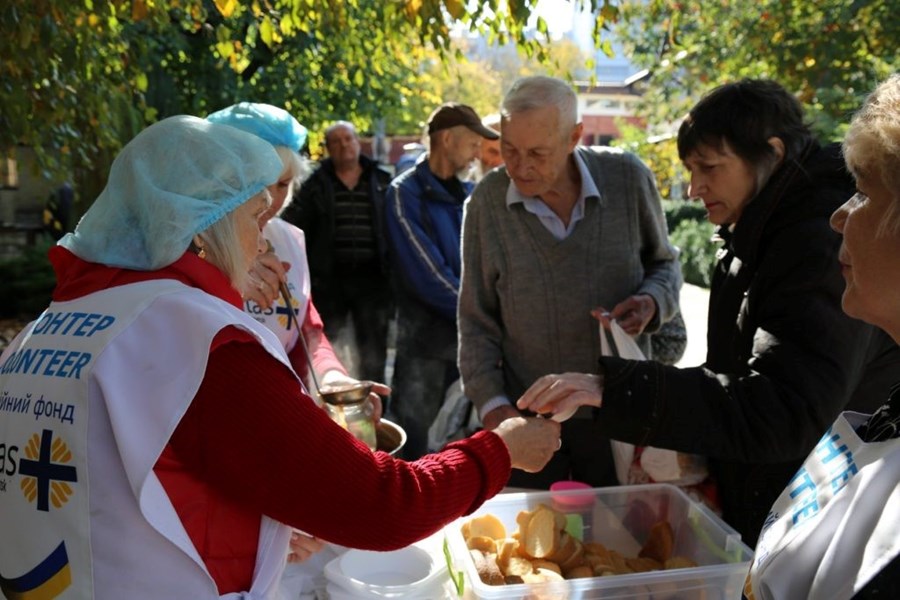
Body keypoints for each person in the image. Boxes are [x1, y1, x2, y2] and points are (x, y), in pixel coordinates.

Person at [0, 115, 561, 598]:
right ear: (203, 232)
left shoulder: (45, 334)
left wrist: (261, 528)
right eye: (253, 221)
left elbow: (119, 492)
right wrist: (498, 452)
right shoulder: (196, 340)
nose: (263, 242)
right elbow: (384, 504)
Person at [516, 78, 900, 548]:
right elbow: (736, 373)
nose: (695, 188)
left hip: (813, 520)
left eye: (709, 168)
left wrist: (616, 390)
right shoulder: (755, 231)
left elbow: (781, 408)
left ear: (772, 154)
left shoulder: (813, 242)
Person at [458, 75, 682, 489]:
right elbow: (475, 323)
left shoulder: (627, 178)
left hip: (623, 413)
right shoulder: (488, 203)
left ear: (574, 137)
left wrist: (651, 302)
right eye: (509, 150)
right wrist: (498, 414)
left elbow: (666, 266)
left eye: (538, 153)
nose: (520, 167)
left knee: (623, 544)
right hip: (530, 423)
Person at [206, 103, 377, 408]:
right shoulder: (191, 245)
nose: (269, 200)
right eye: (259, 185)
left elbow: (306, 327)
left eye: (283, 185)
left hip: (280, 413)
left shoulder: (289, 240)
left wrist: (331, 377)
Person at [384, 102, 499, 460]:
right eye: (472, 143)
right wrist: (482, 315)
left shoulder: (466, 195)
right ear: (447, 139)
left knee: (456, 449)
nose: (477, 153)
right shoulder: (404, 194)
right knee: (414, 450)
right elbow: (427, 275)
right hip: (424, 349)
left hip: (466, 346)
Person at [283, 120, 394, 384]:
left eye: (349, 139)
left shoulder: (380, 180)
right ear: (328, 148)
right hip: (330, 282)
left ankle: (375, 408)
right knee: (328, 344)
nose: (344, 145)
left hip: (373, 282)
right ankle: (332, 402)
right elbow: (294, 227)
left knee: (373, 350)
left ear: (358, 142)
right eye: (337, 141)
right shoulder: (313, 184)